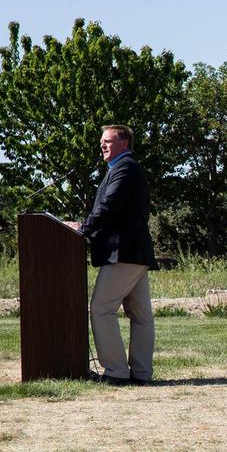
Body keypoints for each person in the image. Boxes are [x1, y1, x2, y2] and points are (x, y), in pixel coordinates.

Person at [67, 124, 157, 385]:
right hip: (134, 253)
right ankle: (141, 374)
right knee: (141, 316)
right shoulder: (123, 168)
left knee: (101, 309)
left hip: (124, 253)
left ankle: (116, 372)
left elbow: (109, 205)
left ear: (124, 144)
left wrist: (83, 228)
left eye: (107, 141)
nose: (102, 145)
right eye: (101, 142)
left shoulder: (125, 167)